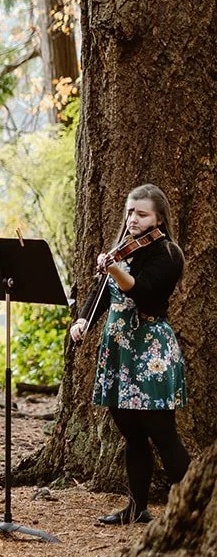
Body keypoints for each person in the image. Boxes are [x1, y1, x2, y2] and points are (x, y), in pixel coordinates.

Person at [69, 184, 190, 525]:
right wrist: (83, 319)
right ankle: (136, 509)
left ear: (159, 218)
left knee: (163, 433)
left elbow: (145, 295)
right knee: (131, 433)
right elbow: (102, 294)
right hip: (120, 350)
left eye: (141, 214)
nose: (133, 219)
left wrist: (114, 268)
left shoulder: (167, 254)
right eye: (130, 212)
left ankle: (202, 507)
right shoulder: (123, 250)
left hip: (150, 351)